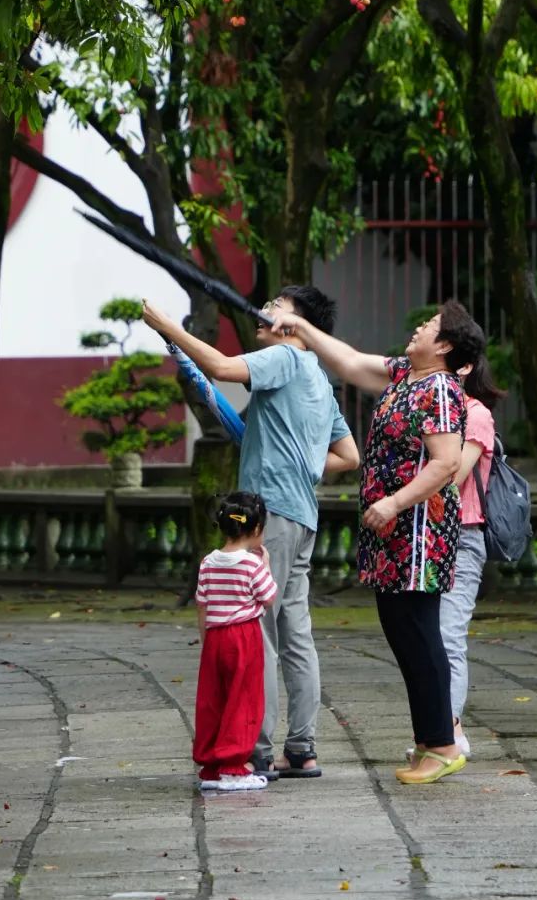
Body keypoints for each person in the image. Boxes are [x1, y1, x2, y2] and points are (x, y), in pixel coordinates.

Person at [141, 286, 360, 781]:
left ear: (299, 325)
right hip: (301, 517)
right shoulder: (321, 383)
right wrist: (301, 463)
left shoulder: (286, 355)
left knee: (256, 629)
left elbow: (221, 367)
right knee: (295, 634)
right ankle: (301, 748)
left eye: (277, 307)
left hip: (272, 518)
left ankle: (255, 748)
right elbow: (349, 457)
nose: (264, 312)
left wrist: (169, 328)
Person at [267, 296, 488, 786]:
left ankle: (444, 743)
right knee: (401, 631)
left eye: (429, 325)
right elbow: (346, 360)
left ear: (445, 345)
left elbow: (446, 464)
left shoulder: (441, 391)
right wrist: (301, 325)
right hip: (391, 534)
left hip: (417, 530)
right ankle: (429, 740)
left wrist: (393, 503)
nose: (418, 328)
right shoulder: (401, 375)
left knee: (422, 633)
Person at [436, 342, 499, 759]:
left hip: (463, 536)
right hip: (432, 536)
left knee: (448, 636)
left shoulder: (476, 415)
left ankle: (451, 731)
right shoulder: (436, 409)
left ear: (465, 368)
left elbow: (454, 473)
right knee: (429, 639)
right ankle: (437, 730)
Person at [193, 490, 277, 791]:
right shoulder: (252, 564)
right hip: (243, 635)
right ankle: (233, 767)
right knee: (244, 700)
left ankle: (211, 767)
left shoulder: (208, 562)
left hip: (215, 636)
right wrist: (265, 564)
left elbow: (202, 604)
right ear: (256, 529)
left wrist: (206, 640)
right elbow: (268, 598)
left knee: (213, 700)